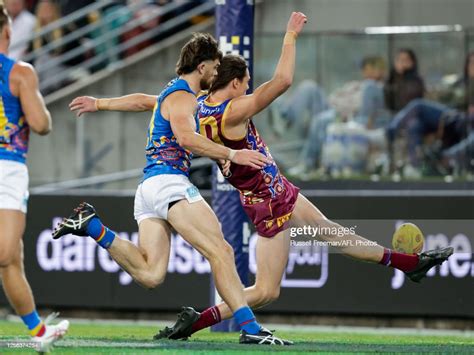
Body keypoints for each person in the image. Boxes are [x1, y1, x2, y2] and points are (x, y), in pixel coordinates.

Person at [68, 13, 453, 341]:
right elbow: (283, 82)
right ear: (234, 84)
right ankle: (215, 322)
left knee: (326, 236)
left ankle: (407, 264)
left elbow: (146, 101)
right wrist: (290, 35)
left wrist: (101, 102)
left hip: (266, 192)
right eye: (246, 80)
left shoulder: (195, 103)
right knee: (263, 283)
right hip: (266, 201)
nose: (250, 86)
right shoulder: (233, 111)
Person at [54, 32, 289, 345]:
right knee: (221, 251)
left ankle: (94, 227)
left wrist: (100, 103)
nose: (218, 73)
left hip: (148, 189)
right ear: (203, 66)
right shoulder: (184, 98)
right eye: (216, 67)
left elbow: (142, 101)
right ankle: (250, 328)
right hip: (170, 184)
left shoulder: (172, 92)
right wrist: (232, 153)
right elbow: (187, 138)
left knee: (151, 275)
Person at [0, 5, 69, 352]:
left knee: (11, 259)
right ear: (8, 32)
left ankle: (39, 332)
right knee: (4, 252)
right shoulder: (20, 73)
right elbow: (41, 124)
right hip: (8, 166)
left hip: (8, 168)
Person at [284, 56, 390, 176]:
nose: (368, 71)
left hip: (344, 116)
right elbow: (336, 95)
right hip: (333, 107)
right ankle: (284, 115)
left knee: (320, 120)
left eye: (372, 68)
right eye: (366, 68)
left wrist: (345, 112)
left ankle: (307, 164)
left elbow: (366, 114)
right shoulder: (356, 84)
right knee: (309, 87)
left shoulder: (377, 88)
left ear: (381, 70)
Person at [387, 52, 474, 177]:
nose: (472, 65)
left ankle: (442, 159)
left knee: (418, 104)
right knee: (415, 123)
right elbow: (446, 98)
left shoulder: (415, 80)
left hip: (465, 120)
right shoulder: (460, 83)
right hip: (452, 116)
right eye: (471, 62)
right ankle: (415, 166)